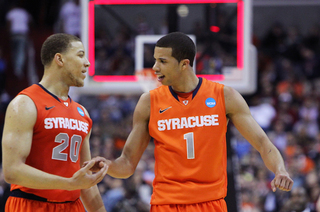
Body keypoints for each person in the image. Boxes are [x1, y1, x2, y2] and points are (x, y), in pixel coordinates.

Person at [90, 32, 293, 212]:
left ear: (184, 64)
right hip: (166, 203)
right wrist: (107, 165)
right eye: (155, 60)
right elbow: (127, 164)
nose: (154, 67)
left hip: (211, 202)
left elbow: (263, 144)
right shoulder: (148, 102)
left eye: (162, 61)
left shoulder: (224, 96)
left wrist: (280, 169)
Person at [1, 33, 108, 212]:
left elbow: (85, 179)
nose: (88, 63)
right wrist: (69, 183)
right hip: (31, 204)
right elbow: (12, 171)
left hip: (72, 206)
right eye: (81, 55)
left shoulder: (82, 112)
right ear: (59, 59)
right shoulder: (25, 103)